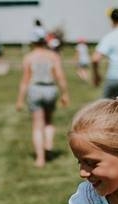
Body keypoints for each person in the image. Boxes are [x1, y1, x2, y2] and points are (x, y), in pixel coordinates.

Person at [17, 34, 70, 167]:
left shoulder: (29, 57)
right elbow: (60, 76)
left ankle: (40, 159)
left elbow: (25, 80)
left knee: (37, 124)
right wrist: (64, 94)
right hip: (50, 89)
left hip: (35, 89)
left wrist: (20, 100)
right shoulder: (53, 56)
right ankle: (48, 147)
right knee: (49, 121)